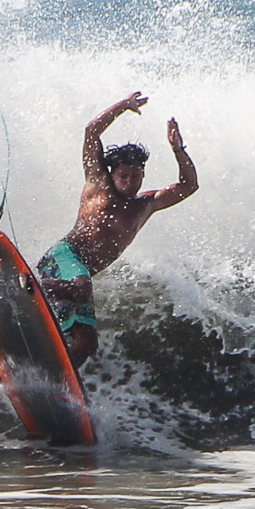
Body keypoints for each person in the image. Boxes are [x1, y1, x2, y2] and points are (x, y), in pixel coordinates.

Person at [37, 91, 198, 369]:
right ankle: (26, 286)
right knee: (82, 286)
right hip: (64, 256)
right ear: (112, 173)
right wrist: (123, 106)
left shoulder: (145, 204)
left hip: (79, 280)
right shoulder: (98, 183)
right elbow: (90, 132)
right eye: (123, 175)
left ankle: (54, 380)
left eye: (136, 176)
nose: (129, 182)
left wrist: (178, 150)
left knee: (87, 344)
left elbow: (188, 186)